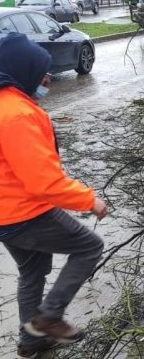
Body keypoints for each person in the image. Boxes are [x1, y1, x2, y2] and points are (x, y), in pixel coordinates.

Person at [0, 33, 108, 359]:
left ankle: (31, 341)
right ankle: (48, 318)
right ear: (23, 69)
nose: (47, 78)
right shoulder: (18, 114)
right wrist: (91, 200)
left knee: (32, 273)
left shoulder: (7, 105)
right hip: (24, 212)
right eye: (42, 71)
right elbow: (43, 183)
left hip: (5, 213)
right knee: (90, 247)